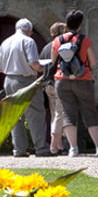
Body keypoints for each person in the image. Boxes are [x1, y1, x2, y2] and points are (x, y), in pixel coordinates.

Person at [51, 10, 98, 157]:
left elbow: (53, 61)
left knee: (68, 114)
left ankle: (73, 148)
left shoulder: (57, 40)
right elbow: (93, 62)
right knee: (90, 112)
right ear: (80, 24)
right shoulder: (84, 40)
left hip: (62, 80)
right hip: (83, 79)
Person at [0, 18, 45, 157]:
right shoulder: (28, 41)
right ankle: (41, 148)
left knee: (15, 116)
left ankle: (19, 149)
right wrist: (43, 67)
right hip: (26, 80)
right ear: (28, 30)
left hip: (9, 80)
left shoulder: (5, 42)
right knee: (35, 113)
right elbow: (34, 63)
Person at [39, 21, 70, 155]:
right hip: (57, 82)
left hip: (47, 84)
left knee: (54, 114)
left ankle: (57, 144)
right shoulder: (61, 46)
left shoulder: (46, 47)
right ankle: (56, 145)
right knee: (60, 114)